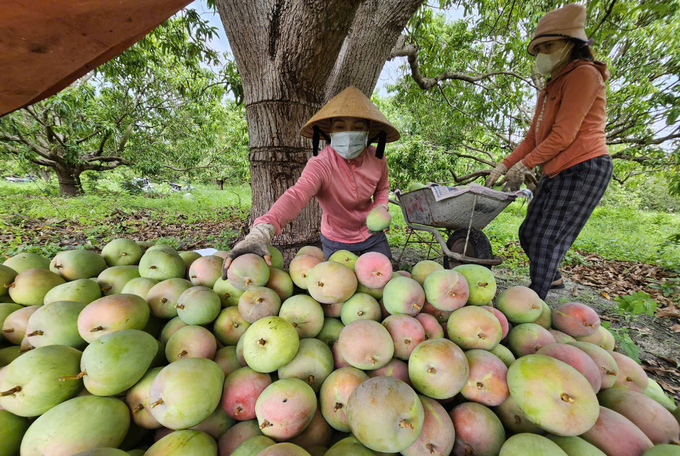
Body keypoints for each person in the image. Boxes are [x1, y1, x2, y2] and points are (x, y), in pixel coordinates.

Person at [485, 3, 613, 300]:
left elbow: (564, 135)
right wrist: (504, 165)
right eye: (539, 48)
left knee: (545, 240)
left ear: (571, 43)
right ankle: (552, 280)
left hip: (584, 167)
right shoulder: (551, 85)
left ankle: (533, 303)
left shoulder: (584, 75)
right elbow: (532, 138)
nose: (543, 53)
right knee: (528, 232)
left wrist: (525, 165)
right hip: (557, 169)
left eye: (549, 45)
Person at [222, 86, 400, 273]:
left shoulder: (377, 158)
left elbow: (382, 188)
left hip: (373, 237)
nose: (349, 133)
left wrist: (381, 207)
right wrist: (262, 230)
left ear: (368, 131)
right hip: (337, 240)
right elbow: (297, 195)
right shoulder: (321, 164)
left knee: (381, 282)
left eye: (357, 127)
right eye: (340, 127)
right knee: (340, 289)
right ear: (330, 131)